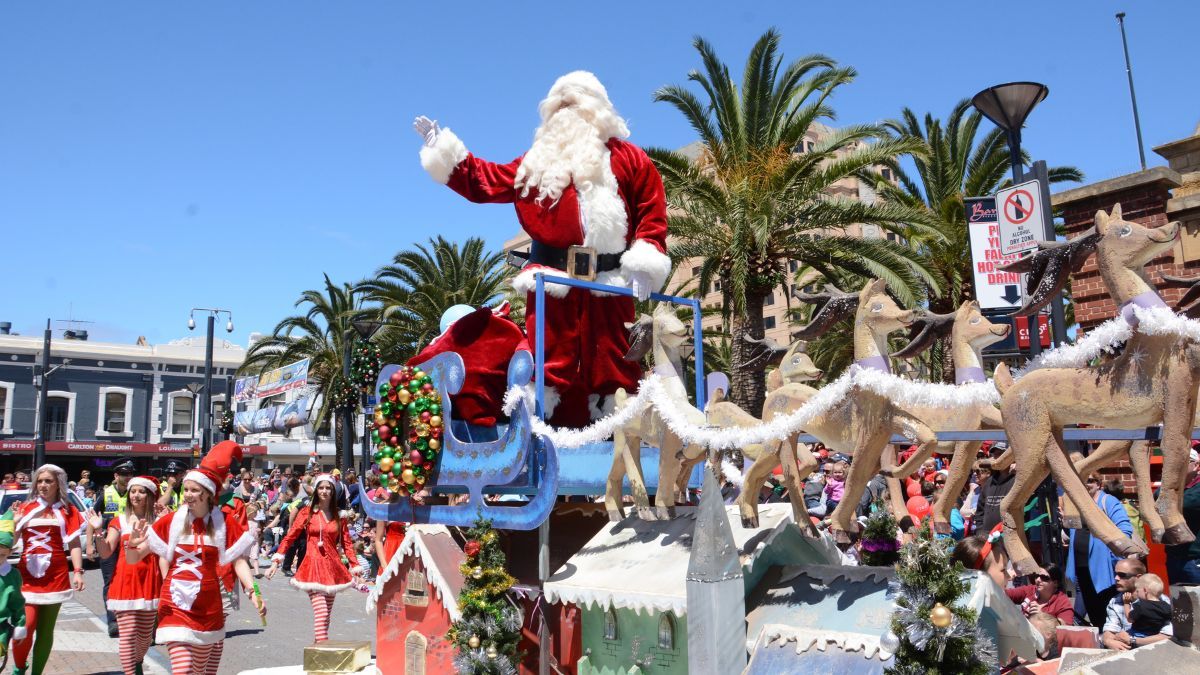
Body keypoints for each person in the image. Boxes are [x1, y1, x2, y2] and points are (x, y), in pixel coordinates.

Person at [414, 70, 671, 428]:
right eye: (560, 105)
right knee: (551, 360)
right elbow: (487, 180)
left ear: (598, 109)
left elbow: (651, 208)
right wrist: (445, 152)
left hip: (609, 283)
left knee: (614, 359)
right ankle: (546, 432)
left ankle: (617, 436)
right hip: (552, 283)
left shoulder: (629, 159)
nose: (567, 111)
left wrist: (645, 259)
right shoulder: (537, 163)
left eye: (575, 103)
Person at [126, 441, 265, 673]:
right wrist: (132, 544)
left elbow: (239, 561)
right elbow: (133, 558)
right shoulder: (171, 522)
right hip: (174, 603)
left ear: (208, 494)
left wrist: (254, 592)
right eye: (186, 489)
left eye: (193, 490)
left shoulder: (223, 523)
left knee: (199, 670)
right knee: (183, 669)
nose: (187, 494)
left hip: (209, 606)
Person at [266, 474, 361, 643]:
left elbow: (347, 544)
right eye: (321, 487)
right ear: (316, 490)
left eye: (328, 488)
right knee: (322, 612)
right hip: (313, 567)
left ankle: (318, 653)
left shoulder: (340, 516)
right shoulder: (306, 512)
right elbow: (290, 537)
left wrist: (355, 566)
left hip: (333, 569)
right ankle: (323, 652)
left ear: (333, 491)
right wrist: (276, 561)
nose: (324, 491)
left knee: (326, 616)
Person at [11, 464, 85, 675]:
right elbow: (12, 542)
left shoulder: (67, 510)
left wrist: (78, 571)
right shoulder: (25, 508)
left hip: (56, 575)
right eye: (40, 481)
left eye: (48, 481)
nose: (43, 485)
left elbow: (74, 544)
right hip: (26, 575)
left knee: (45, 630)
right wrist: (15, 523)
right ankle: (19, 668)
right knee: (25, 625)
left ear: (57, 484)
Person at [85, 475, 162, 675]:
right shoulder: (119, 521)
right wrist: (98, 530)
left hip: (150, 583)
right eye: (133, 491)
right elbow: (106, 551)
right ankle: (132, 672)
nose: (136, 495)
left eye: (141, 491)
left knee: (146, 637)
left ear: (150, 495)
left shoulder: (160, 522)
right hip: (125, 582)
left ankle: (137, 663)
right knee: (127, 636)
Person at [1066, 473, 1132, 627]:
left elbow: (1125, 530)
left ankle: (1111, 644)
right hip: (1081, 569)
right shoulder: (1077, 504)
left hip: (1103, 570)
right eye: (1082, 481)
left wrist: (1108, 555)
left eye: (1090, 480)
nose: (1086, 484)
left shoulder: (1108, 501)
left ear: (1099, 484)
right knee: (1094, 615)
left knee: (1107, 614)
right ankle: (1100, 644)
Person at [95, 457, 135, 637]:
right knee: (109, 582)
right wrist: (89, 544)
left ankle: (130, 618)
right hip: (110, 543)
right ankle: (113, 621)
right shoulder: (105, 494)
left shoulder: (136, 493)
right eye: (124, 474)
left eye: (130, 474)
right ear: (116, 475)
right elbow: (93, 519)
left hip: (130, 543)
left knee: (131, 580)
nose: (128, 477)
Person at [1100, 558, 1172, 650]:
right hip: (1126, 651)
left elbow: (1167, 636)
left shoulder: (1161, 601)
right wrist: (1109, 641)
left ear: (1138, 578)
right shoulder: (1116, 601)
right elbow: (1110, 629)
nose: (1116, 578)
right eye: (1115, 574)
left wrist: (1133, 640)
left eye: (1122, 575)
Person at [1165, 447, 1200, 585]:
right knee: (1178, 600)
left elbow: (1186, 504)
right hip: (1174, 557)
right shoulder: (1171, 487)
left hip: (1195, 558)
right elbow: (1159, 505)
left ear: (1196, 465)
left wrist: (1167, 496)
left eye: (1183, 462)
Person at [1005, 563, 1075, 625]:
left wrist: (1043, 616)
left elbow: (1065, 627)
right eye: (1036, 576)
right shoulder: (1030, 590)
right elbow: (1004, 594)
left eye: (1044, 577)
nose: (1038, 580)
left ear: (1055, 583)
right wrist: (1005, 577)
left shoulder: (1062, 602)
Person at [975, 443, 1015, 536]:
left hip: (1008, 536)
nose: (998, 457)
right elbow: (980, 510)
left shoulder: (1017, 480)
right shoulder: (989, 482)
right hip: (986, 537)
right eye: (995, 454)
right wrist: (980, 531)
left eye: (1001, 453)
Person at [1128, 573, 1172, 642]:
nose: (1137, 593)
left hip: (1137, 635)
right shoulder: (1167, 607)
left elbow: (1130, 619)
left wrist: (1126, 604)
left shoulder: (1140, 605)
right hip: (1154, 636)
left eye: (1137, 591)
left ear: (1145, 590)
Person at [373, 491, 408, 569]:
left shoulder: (415, 507)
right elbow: (378, 540)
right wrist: (383, 564)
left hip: (410, 554)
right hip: (392, 553)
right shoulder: (385, 508)